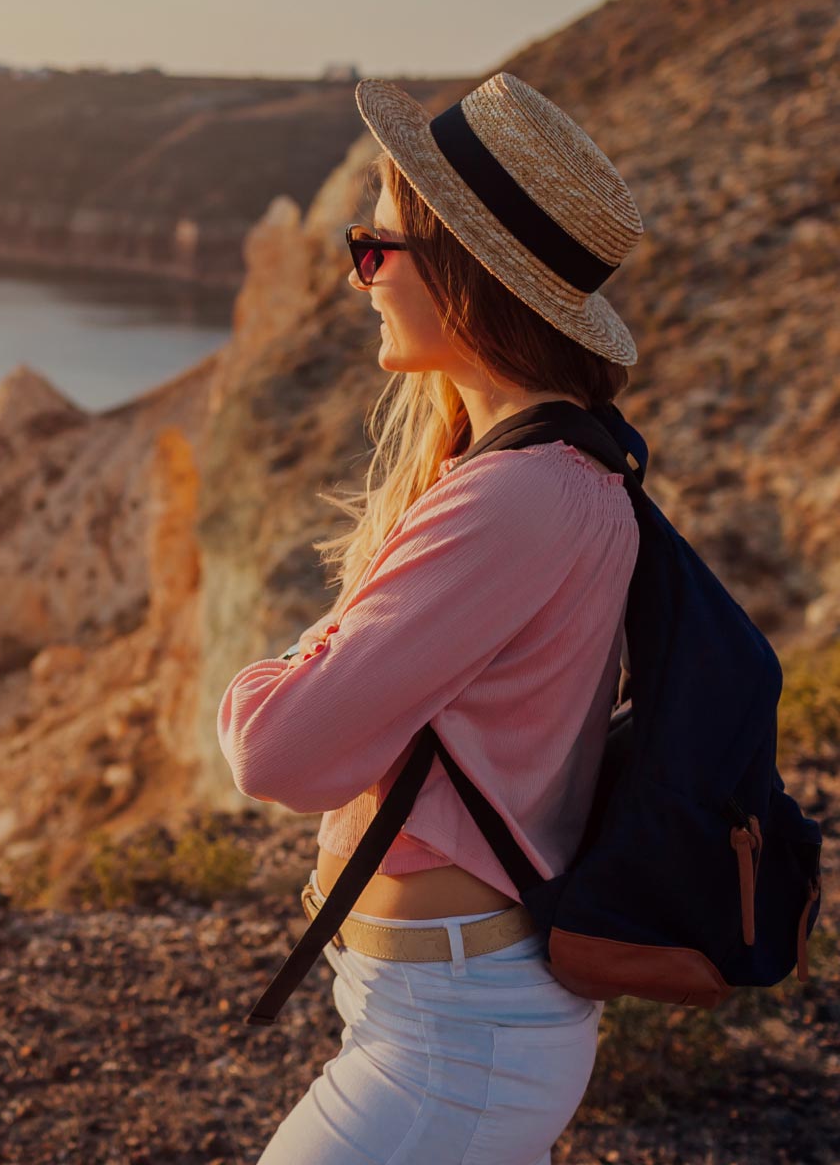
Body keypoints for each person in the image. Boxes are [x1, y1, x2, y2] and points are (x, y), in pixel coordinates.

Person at [214, 71, 645, 1163]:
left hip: (455, 1039)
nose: (360, 278)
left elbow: (278, 750)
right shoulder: (548, 467)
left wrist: (284, 666)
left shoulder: (516, 497)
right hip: (450, 1014)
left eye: (377, 249)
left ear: (463, 271)